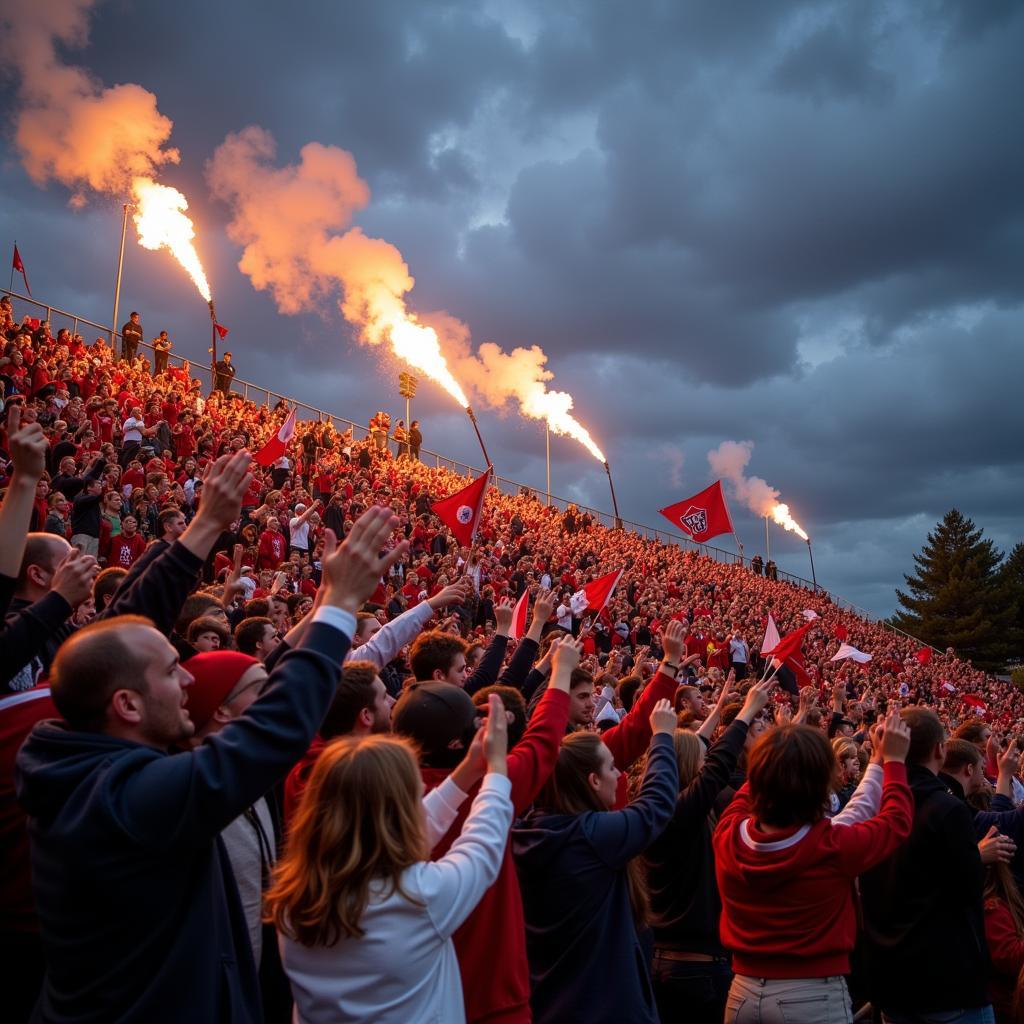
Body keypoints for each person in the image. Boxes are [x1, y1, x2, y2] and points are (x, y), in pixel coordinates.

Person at [15, 498, 408, 1022]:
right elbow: (272, 732)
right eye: (172, 670)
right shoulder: (121, 798)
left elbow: (113, 643)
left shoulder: (85, 761)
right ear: (126, 704)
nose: (187, 679)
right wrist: (338, 606)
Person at [269, 693, 512, 1024]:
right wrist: (497, 769)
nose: (420, 804)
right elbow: (483, 845)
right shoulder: (421, 898)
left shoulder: (291, 899)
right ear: (397, 813)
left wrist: (469, 770)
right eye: (415, 797)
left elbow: (385, 836)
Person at [714, 708, 913, 1023]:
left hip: (742, 994)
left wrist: (782, 746)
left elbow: (755, 784)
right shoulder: (831, 846)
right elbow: (896, 822)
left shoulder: (727, 833)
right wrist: (895, 761)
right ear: (821, 784)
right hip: (811, 996)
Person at [513, 697, 679, 1023]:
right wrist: (662, 739)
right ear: (593, 780)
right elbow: (656, 805)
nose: (619, 774)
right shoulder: (592, 836)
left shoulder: (521, 834)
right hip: (607, 1007)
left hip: (547, 1005)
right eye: (611, 767)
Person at [645, 678, 774, 1024]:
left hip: (658, 960)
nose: (708, 767)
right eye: (702, 762)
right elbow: (718, 768)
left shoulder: (648, 813)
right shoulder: (678, 815)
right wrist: (745, 712)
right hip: (698, 969)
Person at [861, 707, 994, 1023]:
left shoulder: (870, 805)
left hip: (891, 983)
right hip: (948, 987)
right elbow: (969, 888)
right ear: (939, 750)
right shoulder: (947, 809)